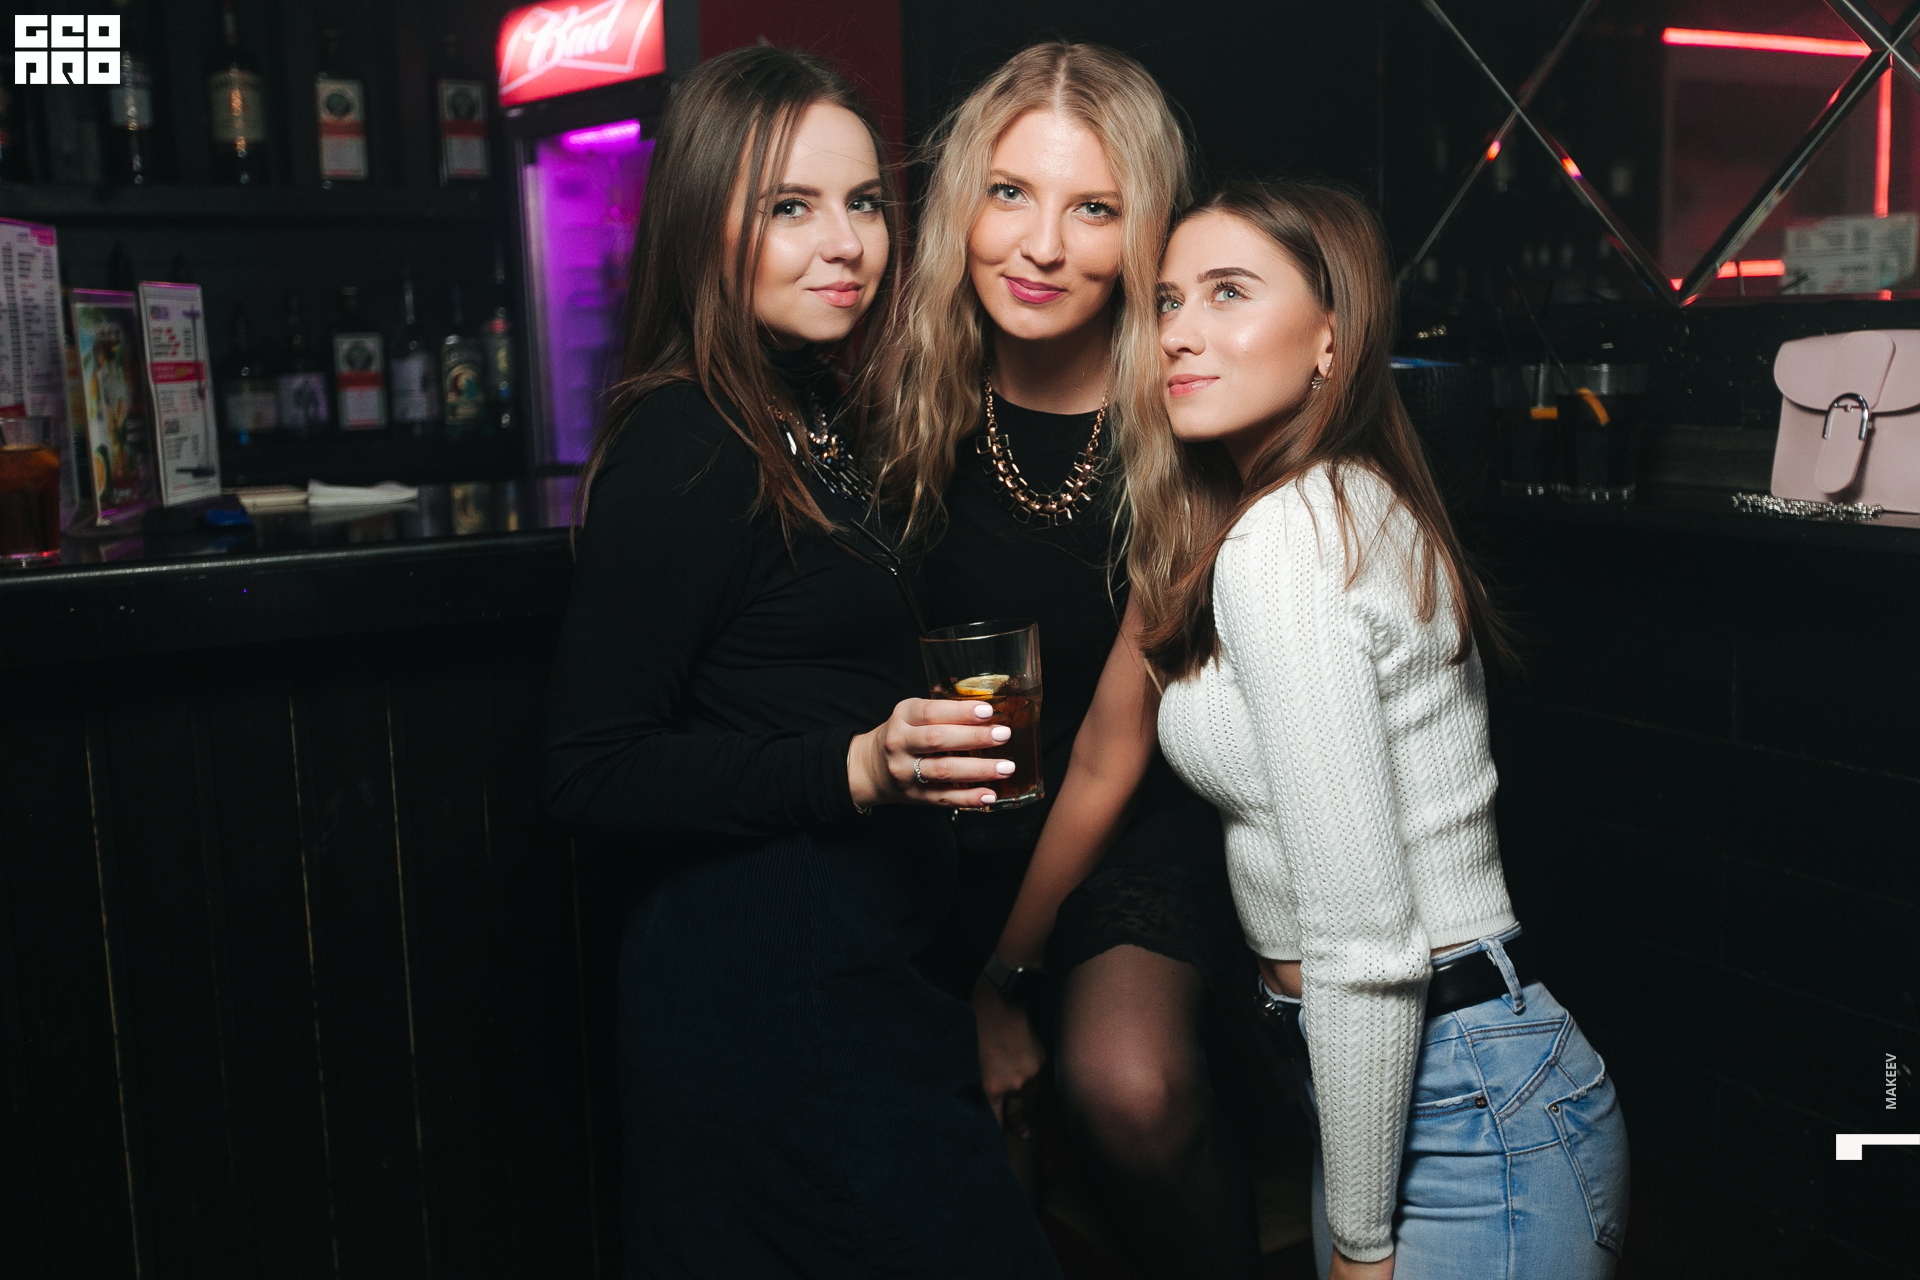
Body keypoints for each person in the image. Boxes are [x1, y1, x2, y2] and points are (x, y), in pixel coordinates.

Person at [544, 46, 1059, 1279]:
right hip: (770, 1009)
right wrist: (858, 766)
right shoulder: (686, 441)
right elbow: (588, 767)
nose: (846, 243)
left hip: (863, 981)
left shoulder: (808, 408)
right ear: (704, 226)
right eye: (791, 207)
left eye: (863, 202)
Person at [1059, 177, 1631, 1279]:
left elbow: (1366, 939)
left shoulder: (1286, 539)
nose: (1179, 331)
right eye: (1169, 299)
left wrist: (1362, 1245)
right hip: (1418, 1082)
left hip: (1458, 1106)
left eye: (1229, 292)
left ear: (1333, 336)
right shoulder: (1338, 503)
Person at [872, 42, 1264, 1278]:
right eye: (1011, 193)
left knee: (1129, 1085)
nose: (1041, 246)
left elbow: (1109, 747)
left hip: (1118, 829)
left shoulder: (1181, 419)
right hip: (937, 829)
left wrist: (1003, 977)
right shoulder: (901, 394)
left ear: (1145, 232)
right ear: (963, 204)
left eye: (1093, 208)